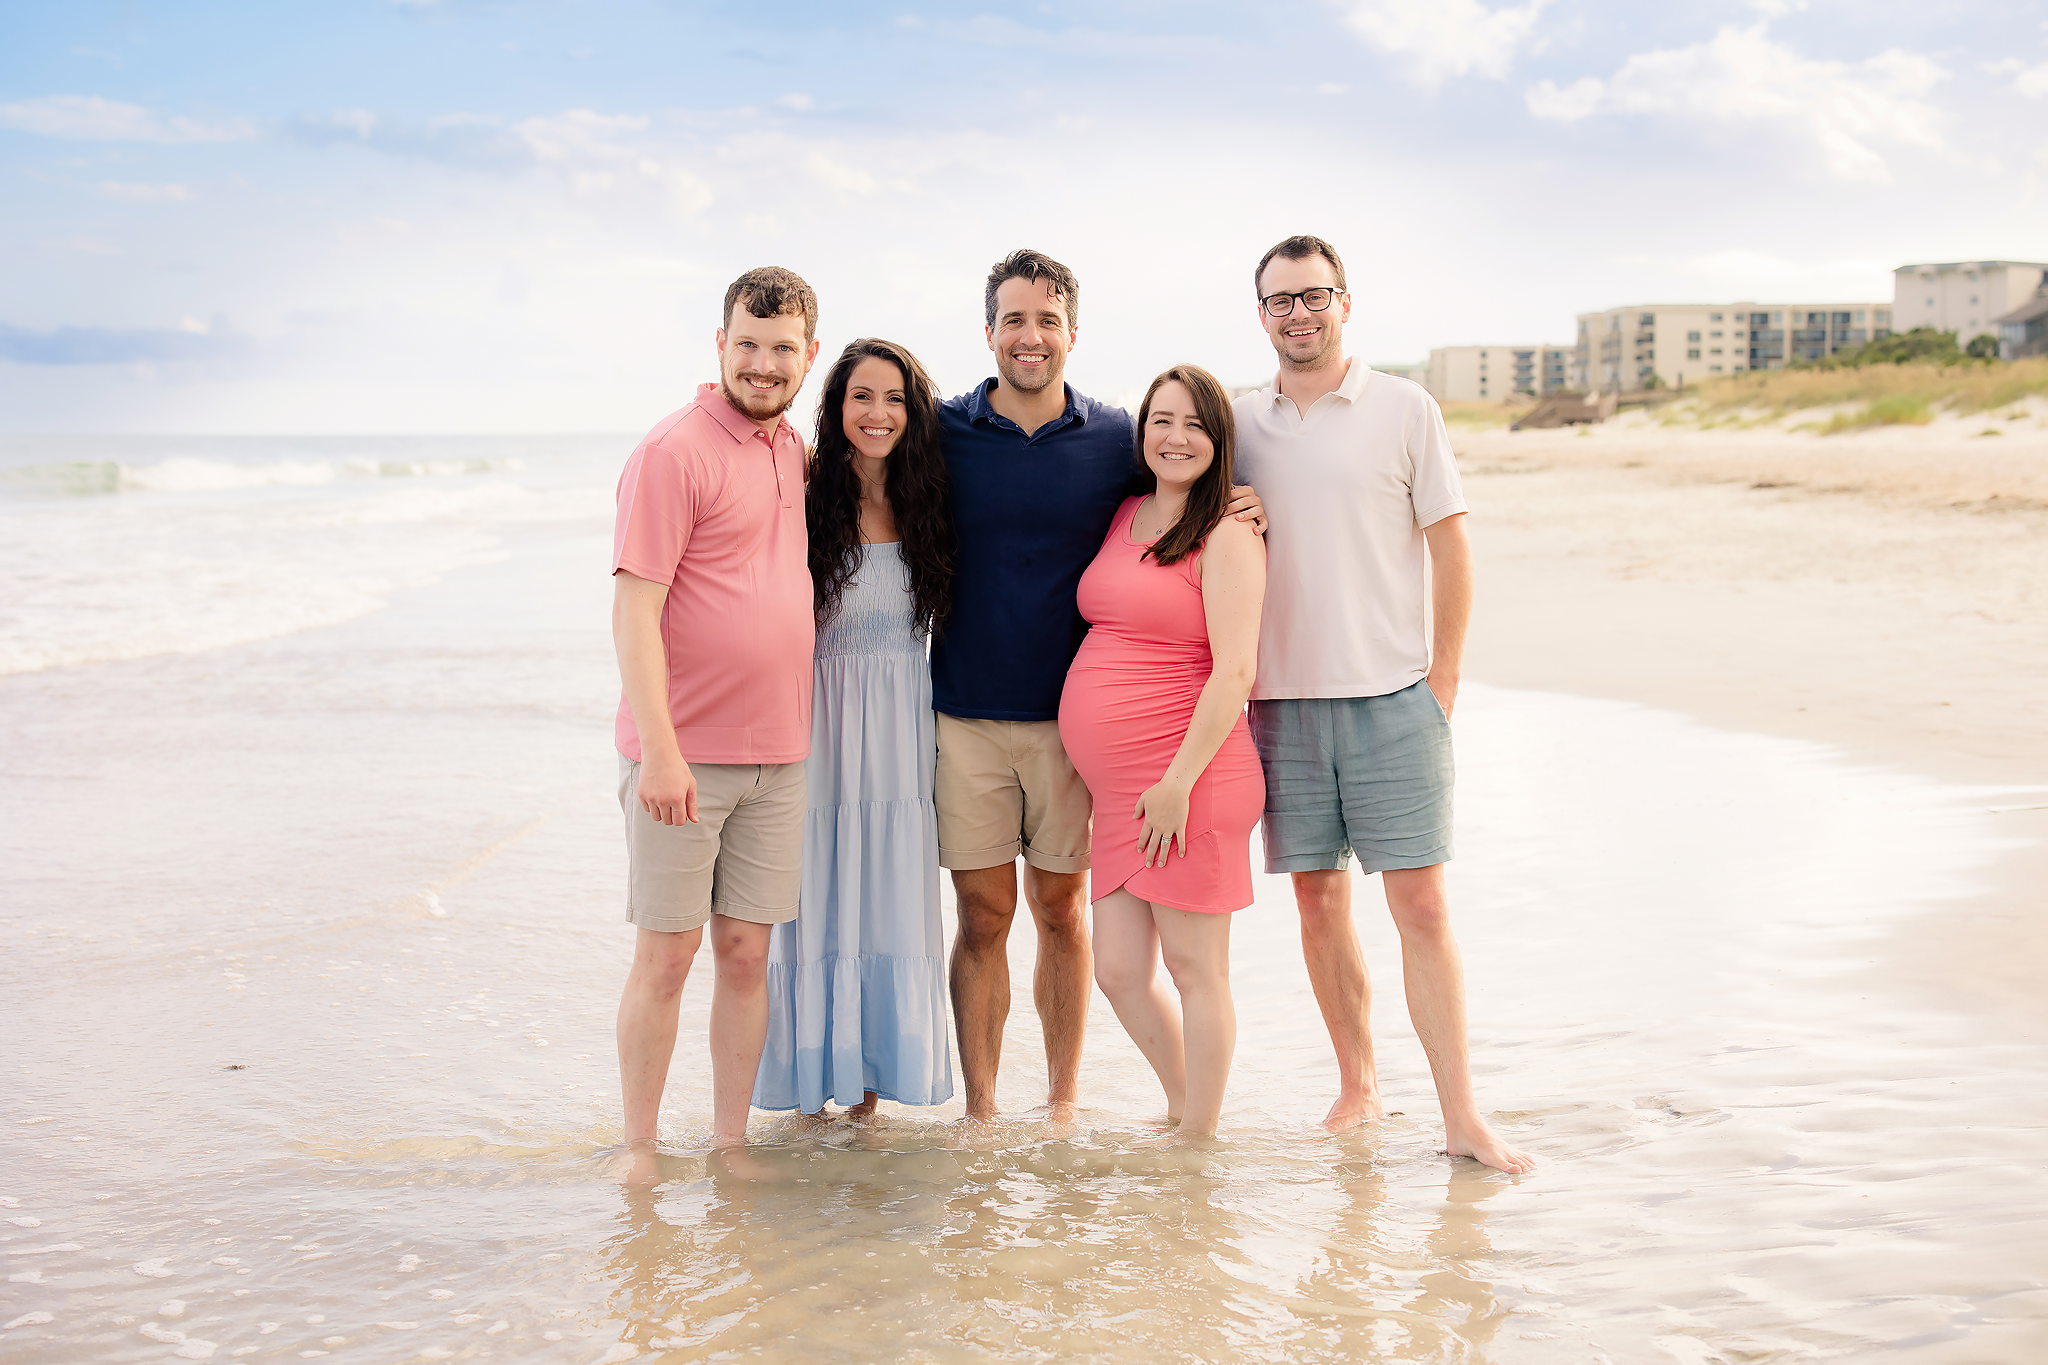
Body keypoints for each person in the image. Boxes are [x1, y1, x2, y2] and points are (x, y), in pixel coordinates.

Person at [933, 249, 1266, 1125]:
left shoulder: (1114, 440)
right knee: (998, 920)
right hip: (976, 713)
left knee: (1072, 918)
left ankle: (1078, 1104)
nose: (1031, 336)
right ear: (990, 331)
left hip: (1138, 764)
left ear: (1073, 333)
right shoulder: (946, 430)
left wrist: (1244, 501)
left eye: (1047, 320)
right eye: (1014, 319)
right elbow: (860, 463)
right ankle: (989, 1111)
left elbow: (1230, 639)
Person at [1232, 234, 1535, 1173]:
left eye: (1314, 296)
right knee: (1319, 906)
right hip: (1281, 704)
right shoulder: (1238, 422)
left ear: (1345, 303)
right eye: (1281, 300)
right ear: (1262, 314)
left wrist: (1441, 680)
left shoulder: (1405, 407)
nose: (1299, 313)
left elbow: (1451, 546)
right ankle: (1358, 1086)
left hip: (1394, 698)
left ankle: (1462, 1116)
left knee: (1424, 909)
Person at [610, 266, 821, 1167]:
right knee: (668, 957)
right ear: (721, 345)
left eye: (782, 349)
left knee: (746, 955)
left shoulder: (794, 451)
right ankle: (641, 1144)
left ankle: (729, 1141)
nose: (764, 365)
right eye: (748, 344)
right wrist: (660, 752)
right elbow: (634, 610)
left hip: (781, 754)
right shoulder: (672, 451)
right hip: (683, 759)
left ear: (809, 354)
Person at [1058, 364, 1265, 1139]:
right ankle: (1186, 1107)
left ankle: (1199, 1138)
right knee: (1116, 970)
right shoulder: (1126, 512)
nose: (1176, 438)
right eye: (1162, 421)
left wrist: (1178, 779)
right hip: (1120, 794)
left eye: (1195, 425)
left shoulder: (1231, 535)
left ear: (1219, 440)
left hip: (1191, 776)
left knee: (1194, 968)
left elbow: (1235, 669)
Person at [754, 338, 957, 1119]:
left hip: (901, 734)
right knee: (816, 897)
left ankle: (868, 1094)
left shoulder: (930, 497)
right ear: (836, 408)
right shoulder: (802, 497)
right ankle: (810, 1096)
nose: (878, 414)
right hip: (820, 729)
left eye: (895, 398)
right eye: (862, 397)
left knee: (885, 898)